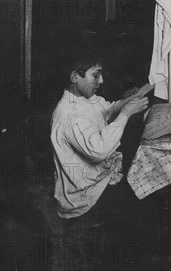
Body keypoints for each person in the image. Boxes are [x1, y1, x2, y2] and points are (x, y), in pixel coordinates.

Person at [50, 49, 149, 219]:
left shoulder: (84, 98)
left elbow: (106, 110)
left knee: (143, 174)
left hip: (96, 178)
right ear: (75, 77)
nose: (101, 81)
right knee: (145, 194)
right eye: (96, 75)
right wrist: (125, 114)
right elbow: (99, 151)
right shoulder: (70, 114)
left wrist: (128, 102)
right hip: (84, 197)